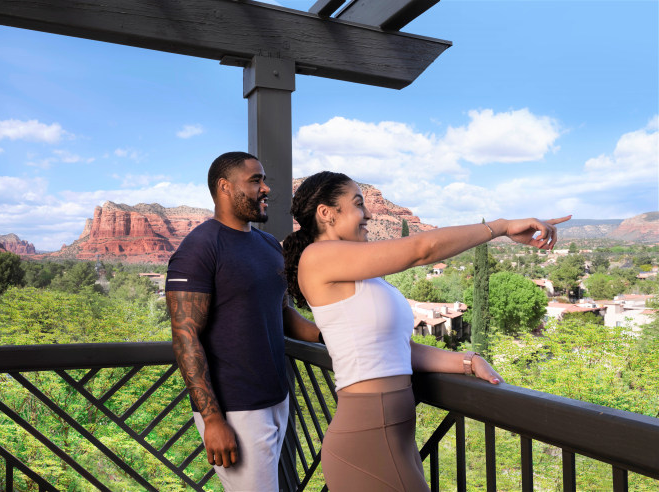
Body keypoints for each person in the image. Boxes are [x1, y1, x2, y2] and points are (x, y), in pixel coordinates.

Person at [282, 171, 570, 491]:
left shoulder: (359, 275)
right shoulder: (317, 257)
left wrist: (464, 361)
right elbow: (422, 250)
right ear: (326, 213)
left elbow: (395, 347)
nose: (369, 213)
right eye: (358, 204)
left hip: (390, 436)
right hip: (369, 438)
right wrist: (499, 227)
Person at [165, 151, 320, 492]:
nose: (266, 188)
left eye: (264, 180)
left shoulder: (267, 244)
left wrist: (327, 334)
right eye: (255, 180)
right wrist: (212, 421)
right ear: (224, 187)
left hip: (277, 397)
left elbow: (282, 314)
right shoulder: (199, 249)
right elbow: (185, 337)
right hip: (235, 411)